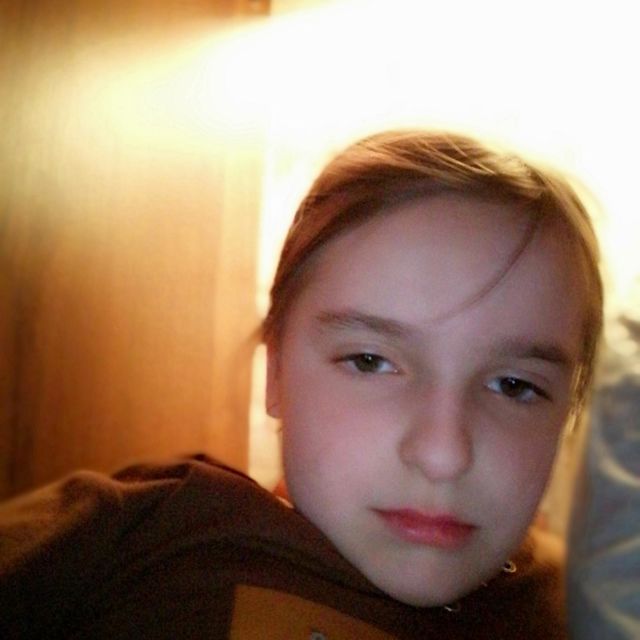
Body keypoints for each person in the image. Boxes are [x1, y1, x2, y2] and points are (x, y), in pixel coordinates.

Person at [0, 130, 603, 639]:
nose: (443, 454)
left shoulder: (588, 606)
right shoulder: (143, 530)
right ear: (276, 375)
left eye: (515, 386)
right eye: (370, 361)